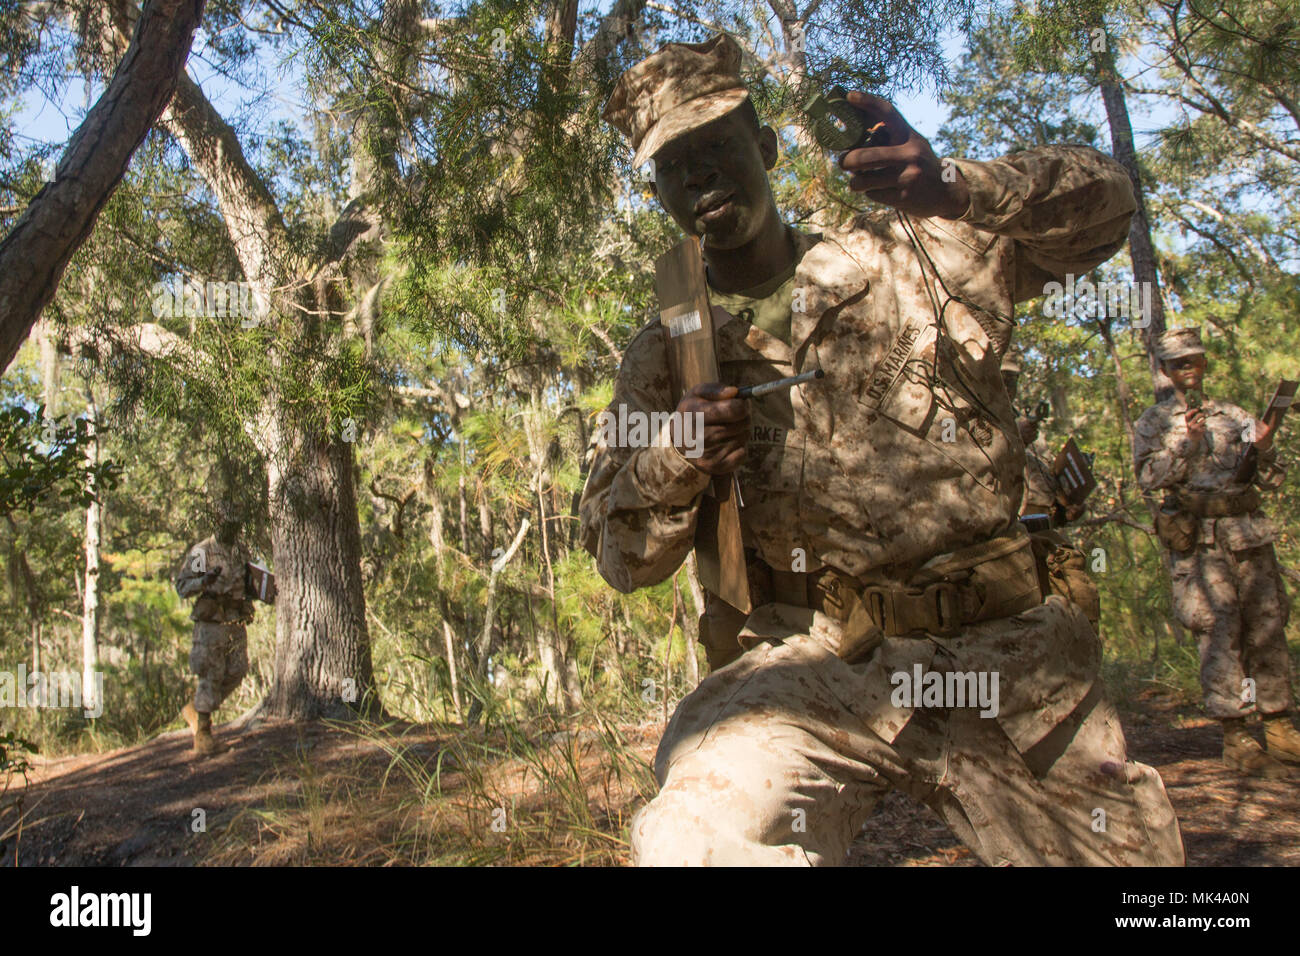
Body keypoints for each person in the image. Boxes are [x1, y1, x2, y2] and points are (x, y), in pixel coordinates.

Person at [579, 34, 1184, 865]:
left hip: (1006, 653)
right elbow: (620, 558)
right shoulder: (665, 352)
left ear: (766, 148)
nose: (699, 179)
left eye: (717, 148)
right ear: (659, 194)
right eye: (674, 167)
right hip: (822, 664)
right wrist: (674, 453)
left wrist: (955, 188)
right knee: (694, 840)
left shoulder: (918, 248)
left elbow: (1109, 207)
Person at [1134, 326, 1298, 778]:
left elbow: (1270, 476)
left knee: (1266, 622)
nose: (1189, 368)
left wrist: (1264, 448)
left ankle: (1280, 724)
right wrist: (1185, 444)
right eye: (1179, 362)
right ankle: (1237, 735)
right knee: (1219, 629)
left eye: (1195, 359)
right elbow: (1148, 479)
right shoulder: (1153, 423)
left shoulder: (1235, 415)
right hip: (1200, 543)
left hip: (1247, 534)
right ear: (1165, 371)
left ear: (1204, 364)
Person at [174, 503, 255, 757]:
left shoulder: (241, 551)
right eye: (227, 523)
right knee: (211, 674)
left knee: (238, 670)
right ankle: (204, 737)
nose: (232, 528)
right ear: (218, 521)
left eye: (236, 524)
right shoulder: (203, 551)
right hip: (210, 624)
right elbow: (182, 587)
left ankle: (196, 710)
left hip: (235, 622)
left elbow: (248, 582)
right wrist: (203, 580)